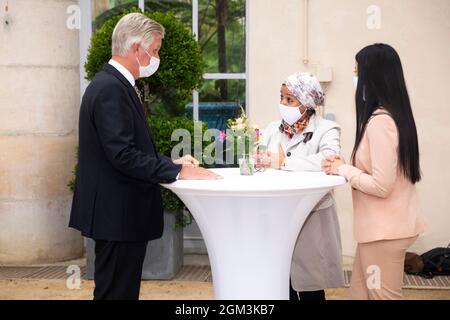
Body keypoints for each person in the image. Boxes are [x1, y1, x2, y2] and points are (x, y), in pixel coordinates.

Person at [69, 13, 221, 300]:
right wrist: (176, 173)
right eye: (155, 50)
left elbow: (127, 147)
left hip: (118, 215)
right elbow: (123, 155)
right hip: (116, 216)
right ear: (137, 49)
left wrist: (170, 163)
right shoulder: (110, 88)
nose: (156, 57)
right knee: (116, 293)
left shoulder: (114, 84)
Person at [322, 43, 426, 300]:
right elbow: (382, 171)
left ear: (374, 77)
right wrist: (346, 165)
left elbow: (382, 185)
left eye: (357, 72)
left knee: (382, 296)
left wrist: (344, 170)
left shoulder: (381, 122)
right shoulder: (393, 116)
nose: (355, 79)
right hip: (381, 230)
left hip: (385, 231)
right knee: (360, 294)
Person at [257, 72, 344, 300]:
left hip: (311, 219)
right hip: (276, 218)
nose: (283, 104)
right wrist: (258, 159)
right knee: (279, 286)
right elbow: (257, 155)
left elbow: (329, 160)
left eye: (290, 100)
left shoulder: (327, 129)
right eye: (281, 97)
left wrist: (284, 162)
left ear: (306, 103)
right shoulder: (272, 129)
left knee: (310, 288)